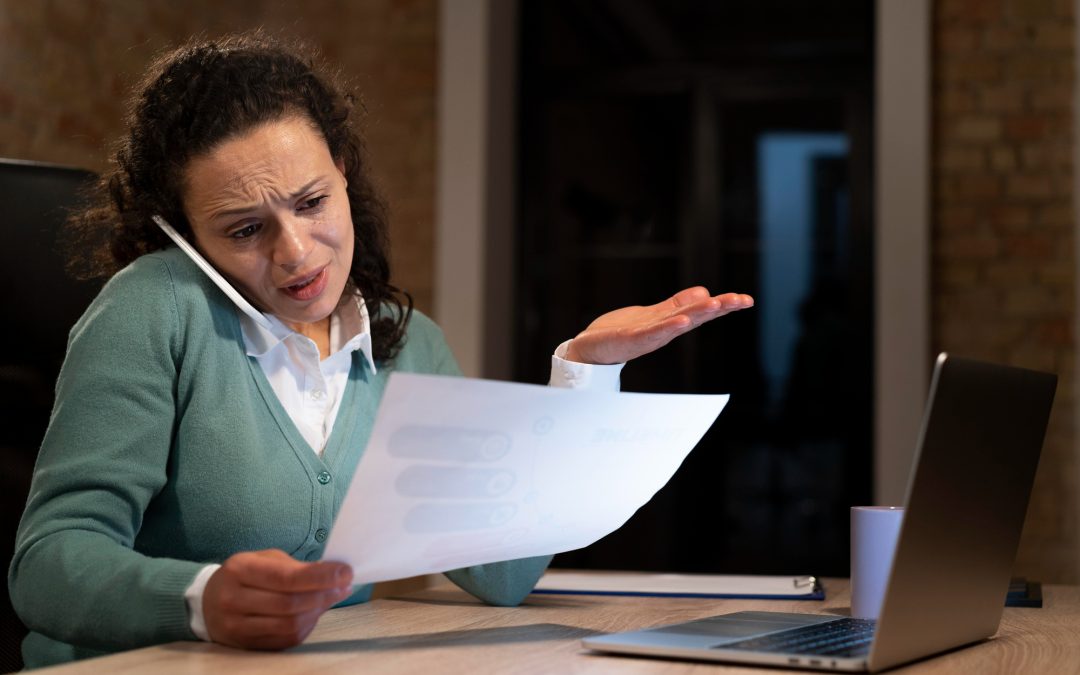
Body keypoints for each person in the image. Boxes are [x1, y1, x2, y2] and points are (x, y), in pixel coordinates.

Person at [7, 33, 753, 669]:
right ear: (184, 237)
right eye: (243, 230)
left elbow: (503, 572)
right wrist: (199, 598)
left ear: (345, 175)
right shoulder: (154, 306)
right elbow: (45, 564)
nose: (297, 252)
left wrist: (585, 374)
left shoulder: (406, 339)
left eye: (311, 201)